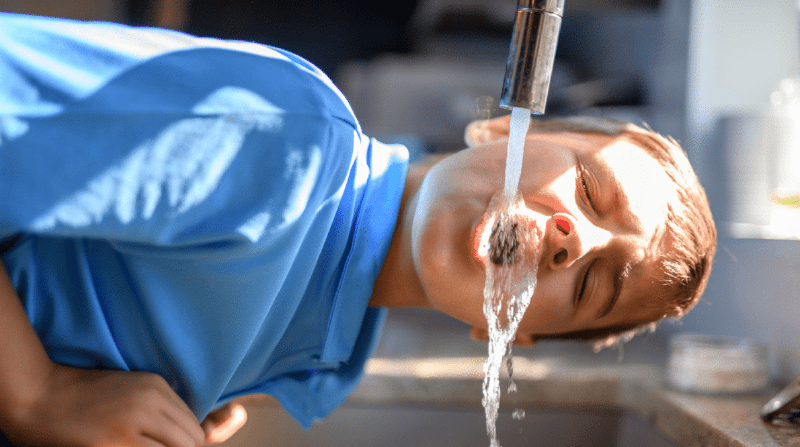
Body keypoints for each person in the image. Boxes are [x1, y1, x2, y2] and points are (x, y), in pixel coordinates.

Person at [0, 11, 716, 447]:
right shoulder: (287, 137)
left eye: (592, 282)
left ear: (512, 337)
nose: (573, 239)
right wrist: (36, 393)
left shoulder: (323, 360)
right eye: (590, 189)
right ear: (506, 126)